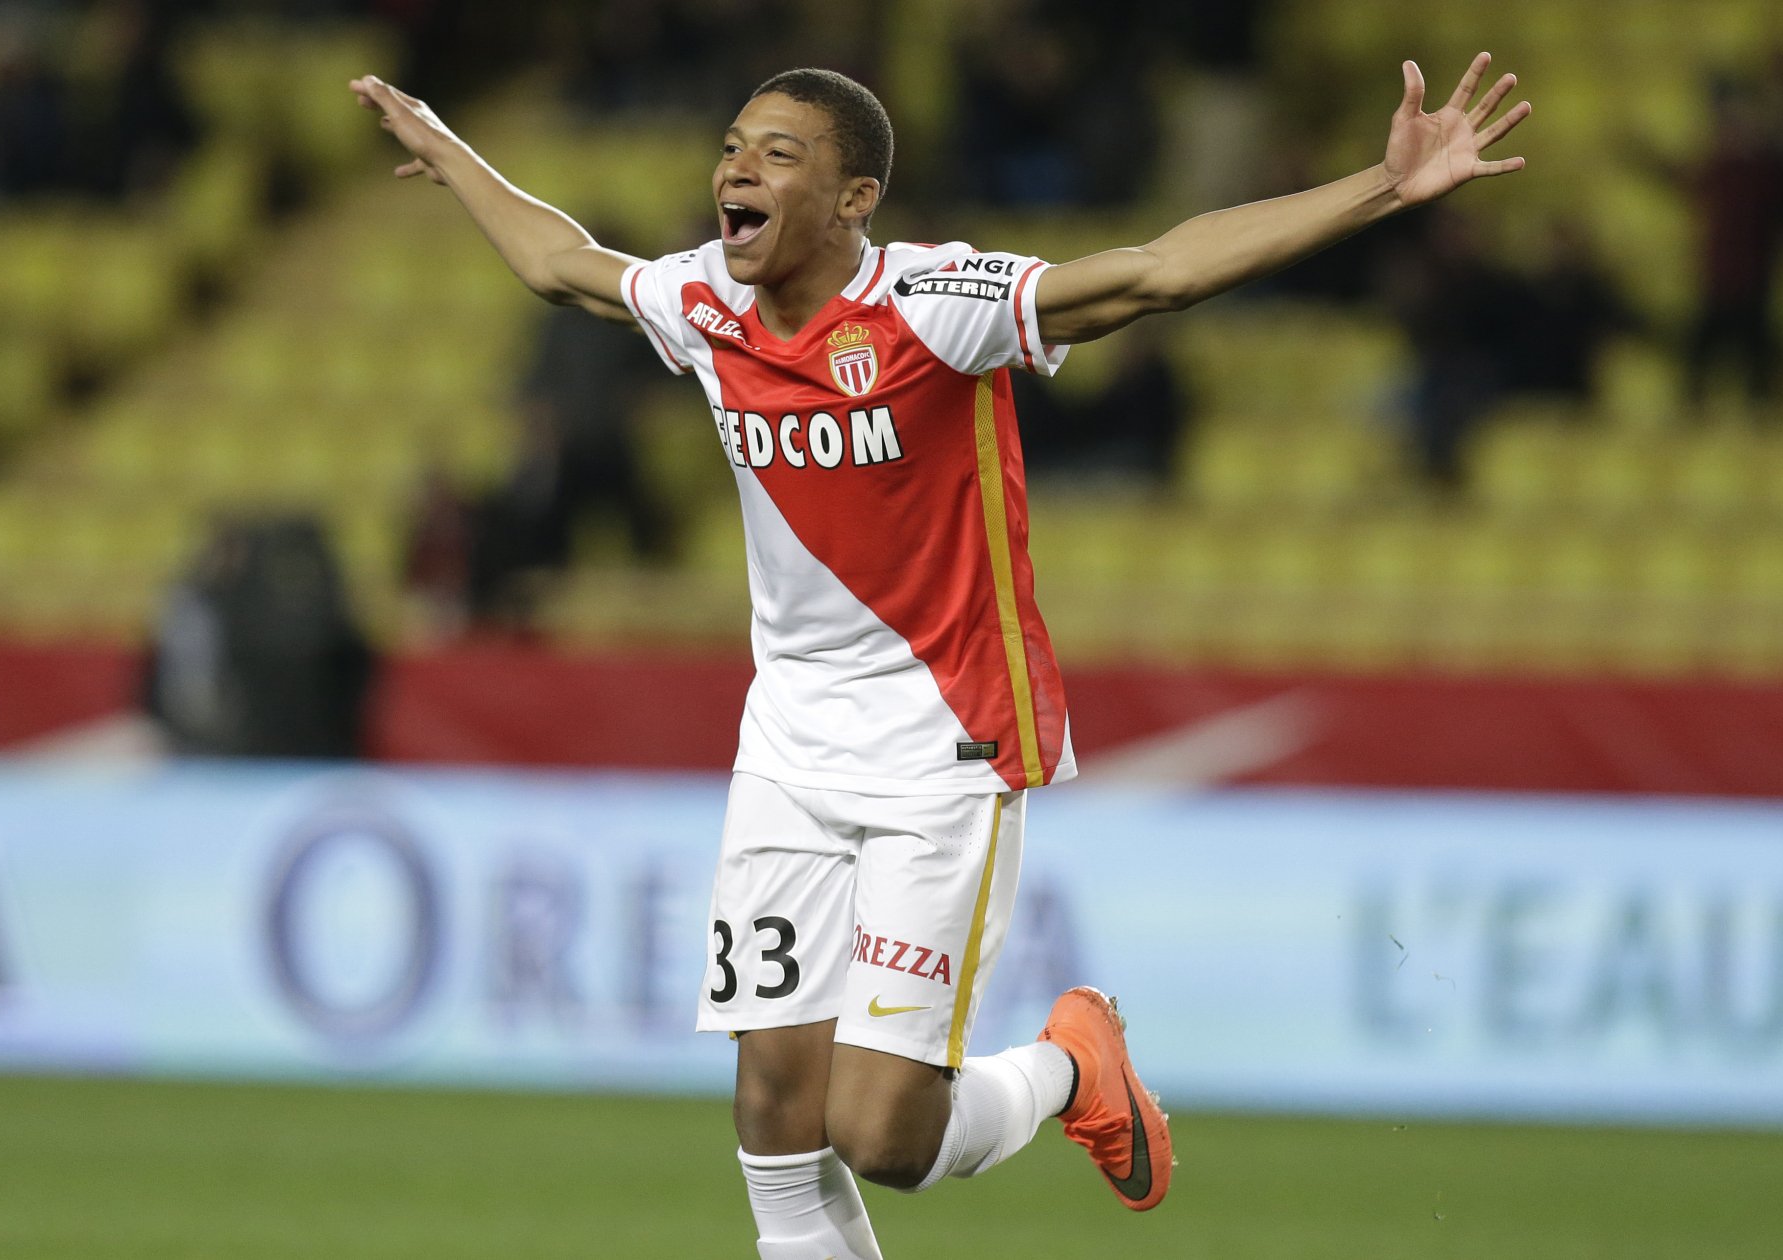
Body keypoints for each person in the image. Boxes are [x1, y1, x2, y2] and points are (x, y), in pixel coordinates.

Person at [349, 53, 1528, 1257]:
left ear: (854, 199)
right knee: (771, 1111)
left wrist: (1380, 191)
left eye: (778, 153)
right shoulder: (706, 303)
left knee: (885, 1138)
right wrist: (449, 151)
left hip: (942, 744)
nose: (736, 171)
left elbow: (1157, 273)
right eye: (733, 148)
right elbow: (561, 264)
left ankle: (1072, 1065)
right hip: (789, 748)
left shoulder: (936, 304)